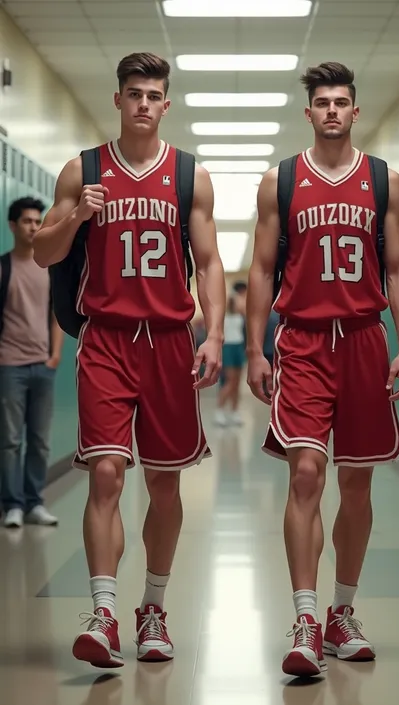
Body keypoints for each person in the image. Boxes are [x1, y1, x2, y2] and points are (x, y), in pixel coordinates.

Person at [33, 52, 225, 668]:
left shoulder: (188, 175)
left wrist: (215, 332)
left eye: (154, 94)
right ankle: (104, 610)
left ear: (167, 104)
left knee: (165, 484)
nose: (144, 103)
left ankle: (154, 608)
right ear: (117, 100)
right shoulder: (81, 170)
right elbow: (42, 252)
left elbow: (211, 261)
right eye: (134, 93)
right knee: (107, 475)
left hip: (168, 342)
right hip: (108, 339)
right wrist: (79, 214)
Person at [246, 62, 399, 677]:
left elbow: (398, 268)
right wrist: (257, 347)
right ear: (309, 111)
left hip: (366, 340)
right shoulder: (281, 181)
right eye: (323, 102)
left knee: (357, 483)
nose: (333, 111)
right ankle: (305, 617)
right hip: (305, 342)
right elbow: (262, 270)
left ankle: (343, 612)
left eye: (343, 101)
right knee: (307, 475)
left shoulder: (383, 180)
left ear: (356, 110)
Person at [0, 197, 63, 529]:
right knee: (10, 441)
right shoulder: (3, 267)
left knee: (39, 440)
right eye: (27, 221)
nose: (34, 227)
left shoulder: (48, 269)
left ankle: (35, 502)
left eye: (38, 221)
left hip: (43, 366)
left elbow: (57, 315)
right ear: (12, 226)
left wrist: (54, 355)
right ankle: (11, 504)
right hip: (10, 365)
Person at [214, 281, 247, 426]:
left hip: (239, 346)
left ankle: (234, 412)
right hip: (227, 347)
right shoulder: (224, 316)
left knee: (237, 383)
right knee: (230, 381)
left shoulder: (241, 315)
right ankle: (219, 411)